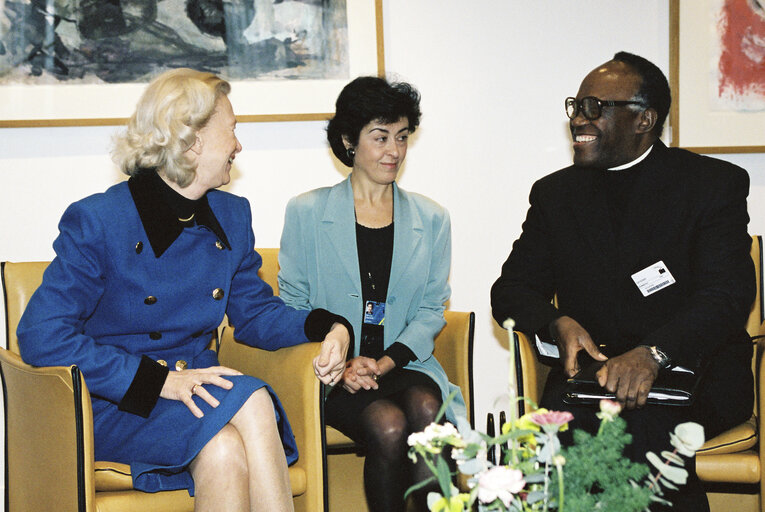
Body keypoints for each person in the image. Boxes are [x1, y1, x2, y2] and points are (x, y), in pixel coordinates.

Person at [16, 68, 352, 512]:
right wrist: (160, 382)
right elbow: (41, 334)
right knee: (251, 398)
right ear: (191, 140)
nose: (238, 145)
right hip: (118, 402)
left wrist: (331, 326)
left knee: (226, 451)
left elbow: (255, 314)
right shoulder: (100, 220)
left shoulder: (231, 216)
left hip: (197, 396)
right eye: (231, 130)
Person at [490, 51, 754, 512]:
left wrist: (654, 354)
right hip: (592, 378)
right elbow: (510, 291)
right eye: (576, 106)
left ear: (644, 119)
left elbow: (727, 296)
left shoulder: (711, 185)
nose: (578, 120)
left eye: (595, 108)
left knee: (640, 436)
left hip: (695, 372)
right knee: (566, 436)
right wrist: (557, 322)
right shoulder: (556, 195)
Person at [278, 76, 466, 512]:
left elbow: (430, 308)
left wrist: (383, 361)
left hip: (401, 363)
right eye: (380, 138)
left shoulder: (432, 218)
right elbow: (294, 306)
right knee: (387, 424)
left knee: (427, 410)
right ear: (349, 141)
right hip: (332, 374)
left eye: (402, 138)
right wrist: (340, 364)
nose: (394, 151)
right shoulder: (307, 212)